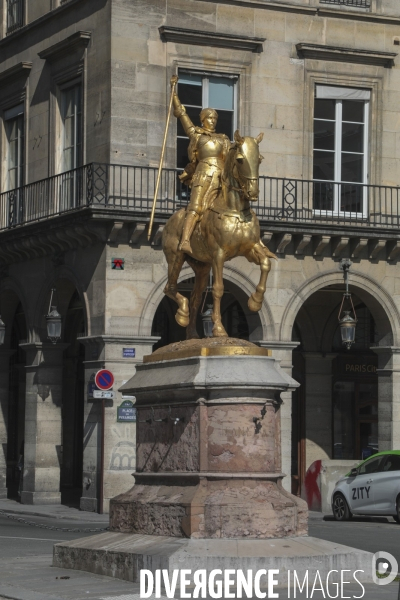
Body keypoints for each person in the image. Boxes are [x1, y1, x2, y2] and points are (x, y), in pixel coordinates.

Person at [171, 75, 231, 254]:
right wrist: (174, 93)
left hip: (221, 177)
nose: (213, 121)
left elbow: (230, 158)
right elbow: (182, 114)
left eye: (215, 118)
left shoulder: (223, 139)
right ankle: (185, 240)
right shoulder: (197, 135)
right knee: (196, 207)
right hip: (203, 175)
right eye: (209, 117)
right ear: (203, 119)